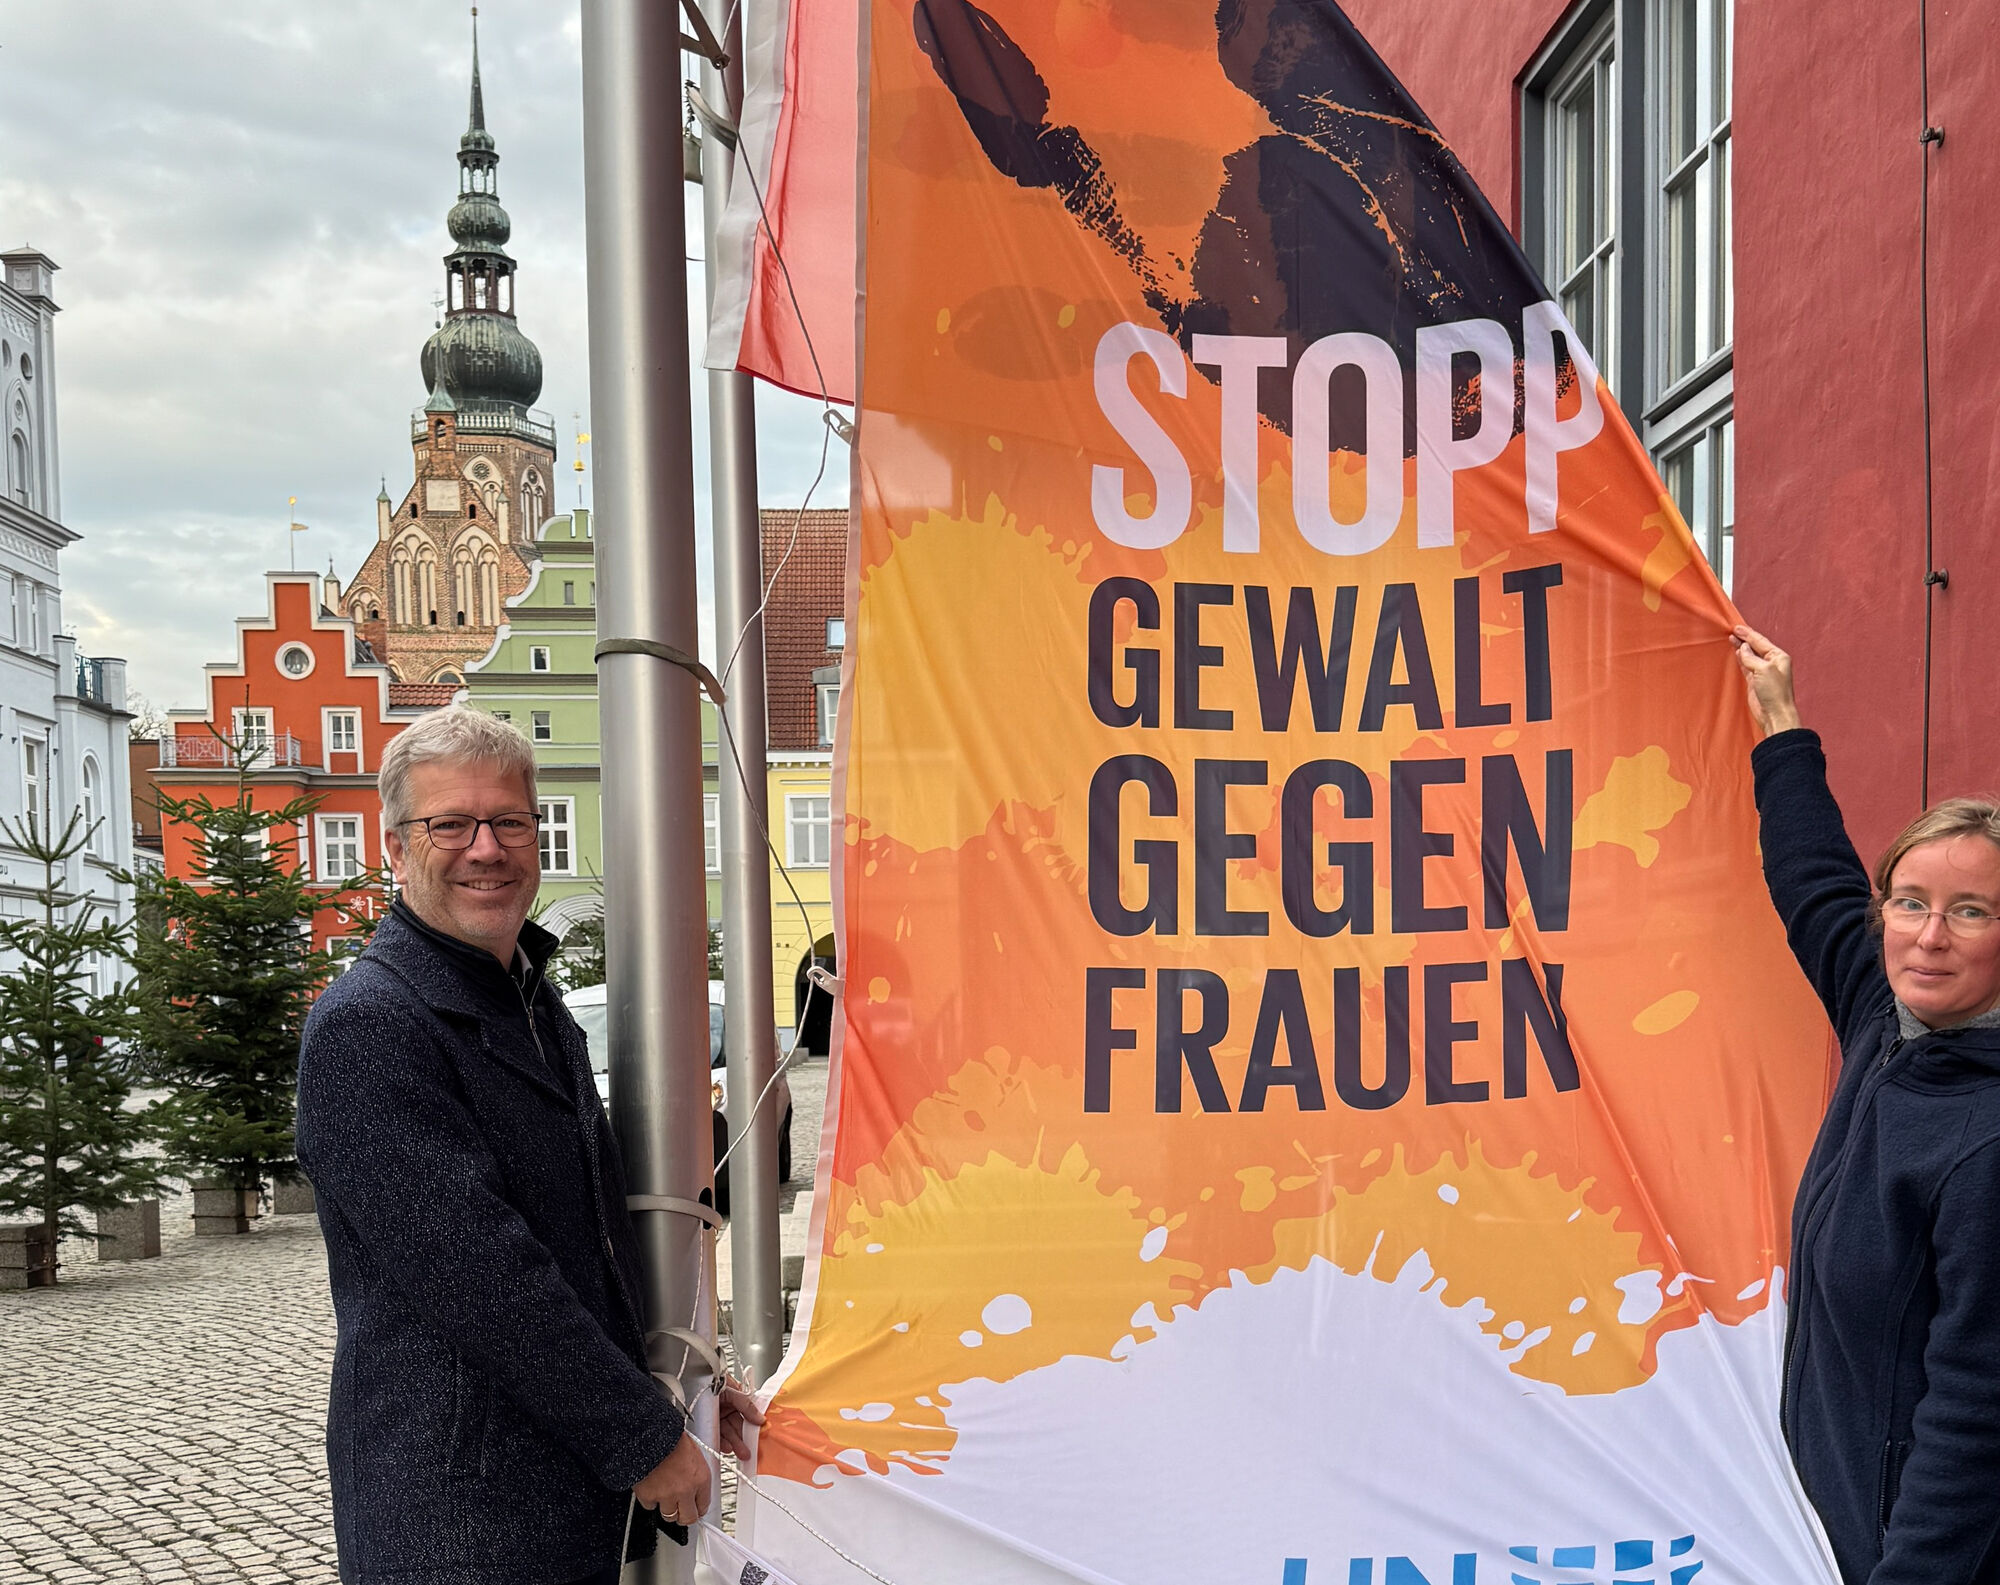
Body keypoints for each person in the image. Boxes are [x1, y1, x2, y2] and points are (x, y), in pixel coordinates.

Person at [297, 707, 758, 1585]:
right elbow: (486, 1279)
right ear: (397, 847)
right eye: (451, 824)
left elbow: (588, 1236)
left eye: (510, 821)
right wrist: (643, 1435)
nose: (487, 847)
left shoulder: (526, 997)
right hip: (458, 1516)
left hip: (545, 1497)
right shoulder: (371, 1026)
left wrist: (683, 1396)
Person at [1734, 624, 2000, 1584]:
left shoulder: (1986, 1140)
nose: (1929, 936)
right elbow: (1813, 881)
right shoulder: (1885, 1021)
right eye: (1908, 901)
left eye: (1970, 909)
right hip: (1821, 1532)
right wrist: (1780, 722)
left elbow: (1977, 1419)